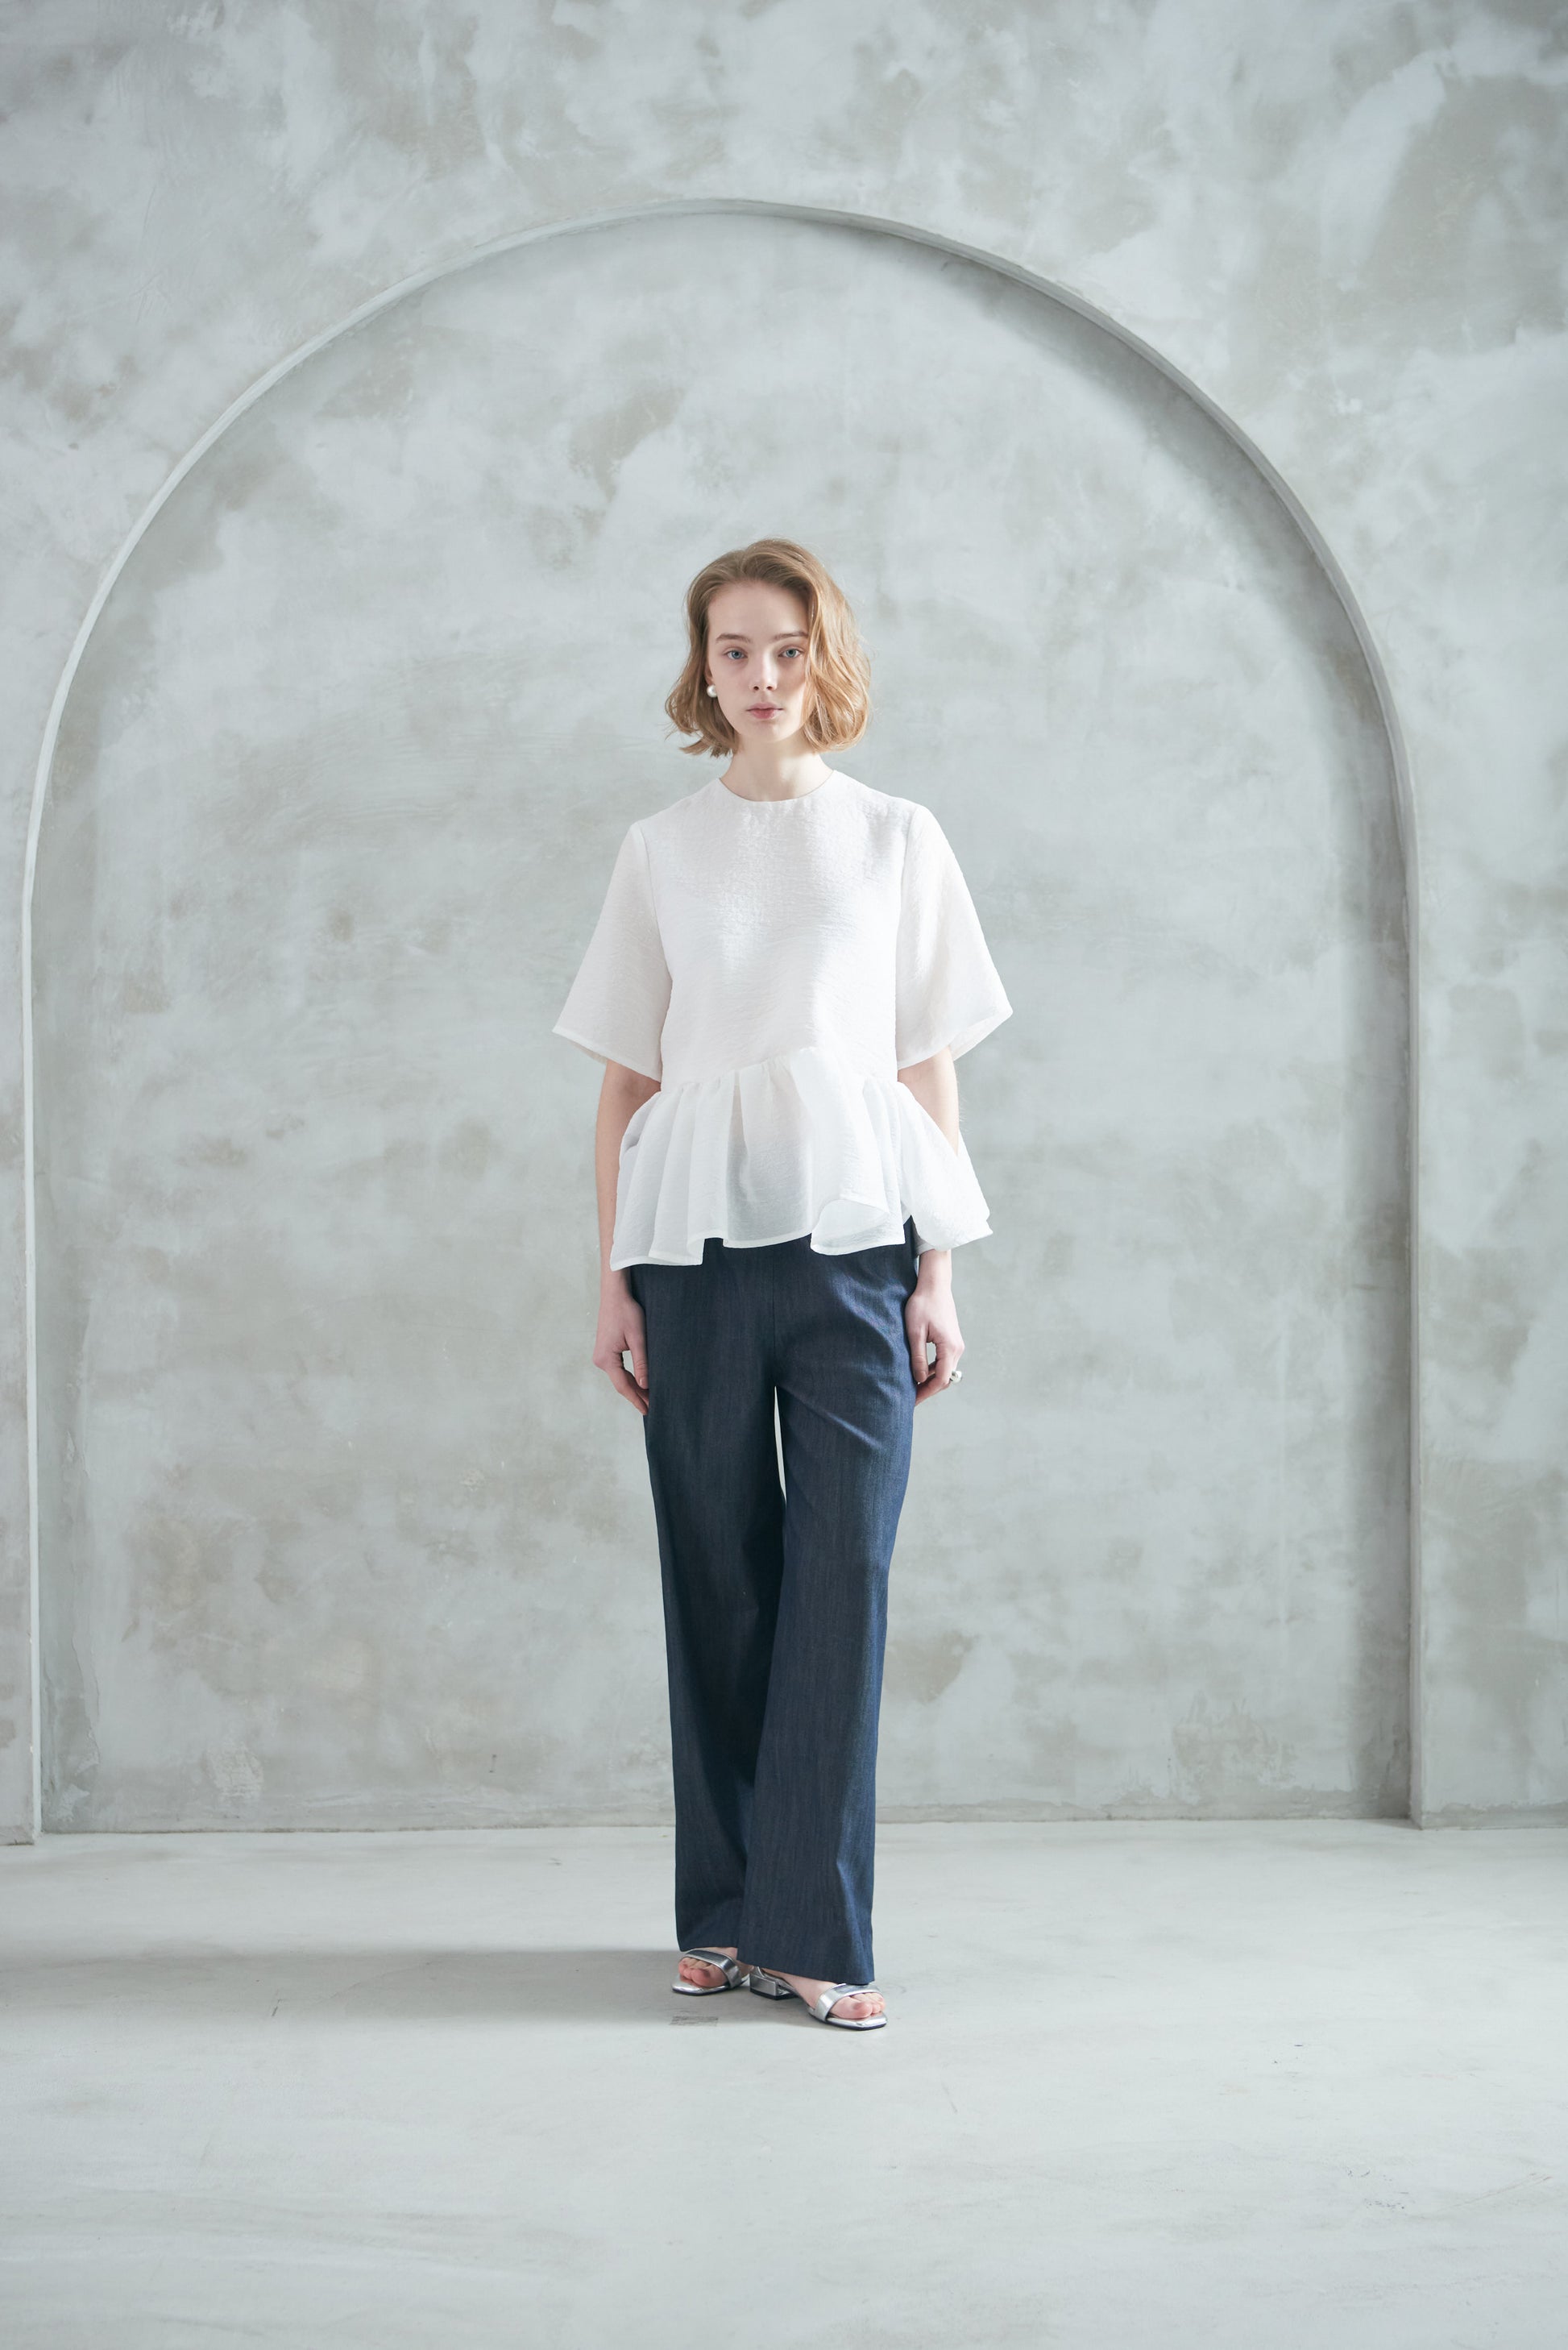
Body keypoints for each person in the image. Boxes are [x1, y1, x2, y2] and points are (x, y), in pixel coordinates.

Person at [551, 538, 1012, 2031]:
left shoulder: (895, 839)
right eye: (734, 651)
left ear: (827, 661)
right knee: (716, 1569)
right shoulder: (660, 849)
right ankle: (724, 1913)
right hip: (689, 1258)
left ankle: (811, 1932)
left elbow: (923, 1067)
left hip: (855, 1246)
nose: (761, 677)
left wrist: (937, 1274)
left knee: (841, 1575)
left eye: (787, 650)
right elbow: (625, 1084)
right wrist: (614, 1284)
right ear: (702, 668)